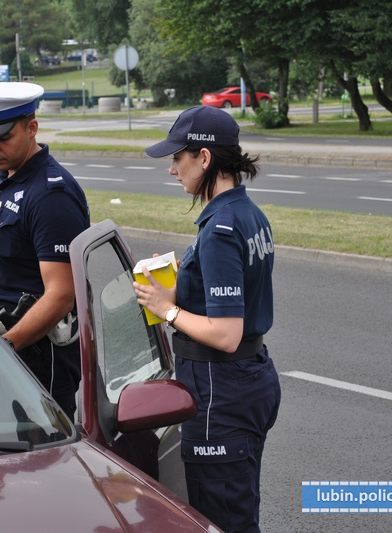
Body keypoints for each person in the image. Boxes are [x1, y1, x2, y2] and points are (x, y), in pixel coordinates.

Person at [132, 105, 281, 533]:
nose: (172, 170)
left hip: (221, 392)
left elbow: (226, 333)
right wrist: (186, 279)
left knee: (223, 520)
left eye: (178, 158)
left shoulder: (219, 231)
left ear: (204, 158)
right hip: (251, 381)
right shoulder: (247, 213)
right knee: (240, 505)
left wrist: (168, 310)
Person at [0, 82, 90, 420]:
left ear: (32, 128)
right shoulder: (8, 176)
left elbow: (61, 295)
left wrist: (5, 347)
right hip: (10, 351)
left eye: (3, 138)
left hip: (37, 358)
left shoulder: (50, 196)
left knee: (41, 466)